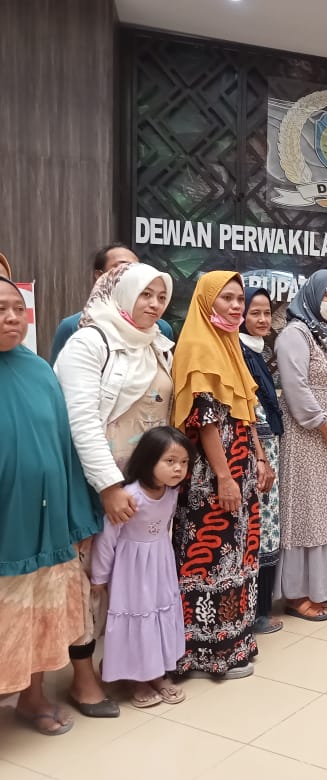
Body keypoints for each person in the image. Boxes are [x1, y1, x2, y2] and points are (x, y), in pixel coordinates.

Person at [53, 261, 175, 719]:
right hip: (96, 483)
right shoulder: (90, 342)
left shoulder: (158, 344)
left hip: (145, 489)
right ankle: (83, 677)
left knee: (135, 581)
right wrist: (108, 485)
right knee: (90, 580)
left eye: (161, 297)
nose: (154, 304)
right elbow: (80, 420)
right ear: (123, 293)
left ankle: (131, 662)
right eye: (145, 294)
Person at [1, 276, 98, 736]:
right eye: (0, 309)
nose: (11, 317)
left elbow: (65, 448)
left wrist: (77, 519)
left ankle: (32, 696)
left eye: (17, 309)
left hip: (44, 519)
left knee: (36, 611)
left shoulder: (40, 369)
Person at [171, 270, 273, 677]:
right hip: (211, 476)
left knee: (238, 555)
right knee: (210, 559)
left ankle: (235, 640)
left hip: (240, 467)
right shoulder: (198, 345)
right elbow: (205, 420)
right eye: (226, 298)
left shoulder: (229, 344)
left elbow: (246, 412)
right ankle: (206, 652)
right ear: (205, 300)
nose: (235, 306)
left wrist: (260, 459)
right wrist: (224, 477)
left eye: (239, 299)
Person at [90, 426, 191, 708]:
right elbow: (107, 539)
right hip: (131, 569)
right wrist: (99, 576)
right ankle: (136, 678)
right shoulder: (130, 496)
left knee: (158, 613)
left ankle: (156, 673)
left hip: (160, 562)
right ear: (149, 459)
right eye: (170, 461)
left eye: (184, 462)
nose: (178, 468)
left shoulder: (171, 492)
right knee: (137, 617)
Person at [275, 270, 327, 621]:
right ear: (311, 295)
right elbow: (295, 387)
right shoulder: (296, 334)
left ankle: (323, 584)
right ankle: (297, 593)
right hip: (307, 433)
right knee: (307, 509)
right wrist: (323, 425)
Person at [240, 288, 284, 634]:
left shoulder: (258, 350)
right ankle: (253, 612)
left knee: (268, 527)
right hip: (256, 452)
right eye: (254, 312)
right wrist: (260, 456)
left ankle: (261, 609)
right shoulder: (239, 352)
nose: (262, 319)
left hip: (269, 448)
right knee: (258, 526)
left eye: (267, 312)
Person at [50, 243, 174, 363]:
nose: (129, 273)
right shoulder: (74, 326)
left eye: (135, 268)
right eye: (122, 267)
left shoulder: (160, 328)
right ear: (100, 275)